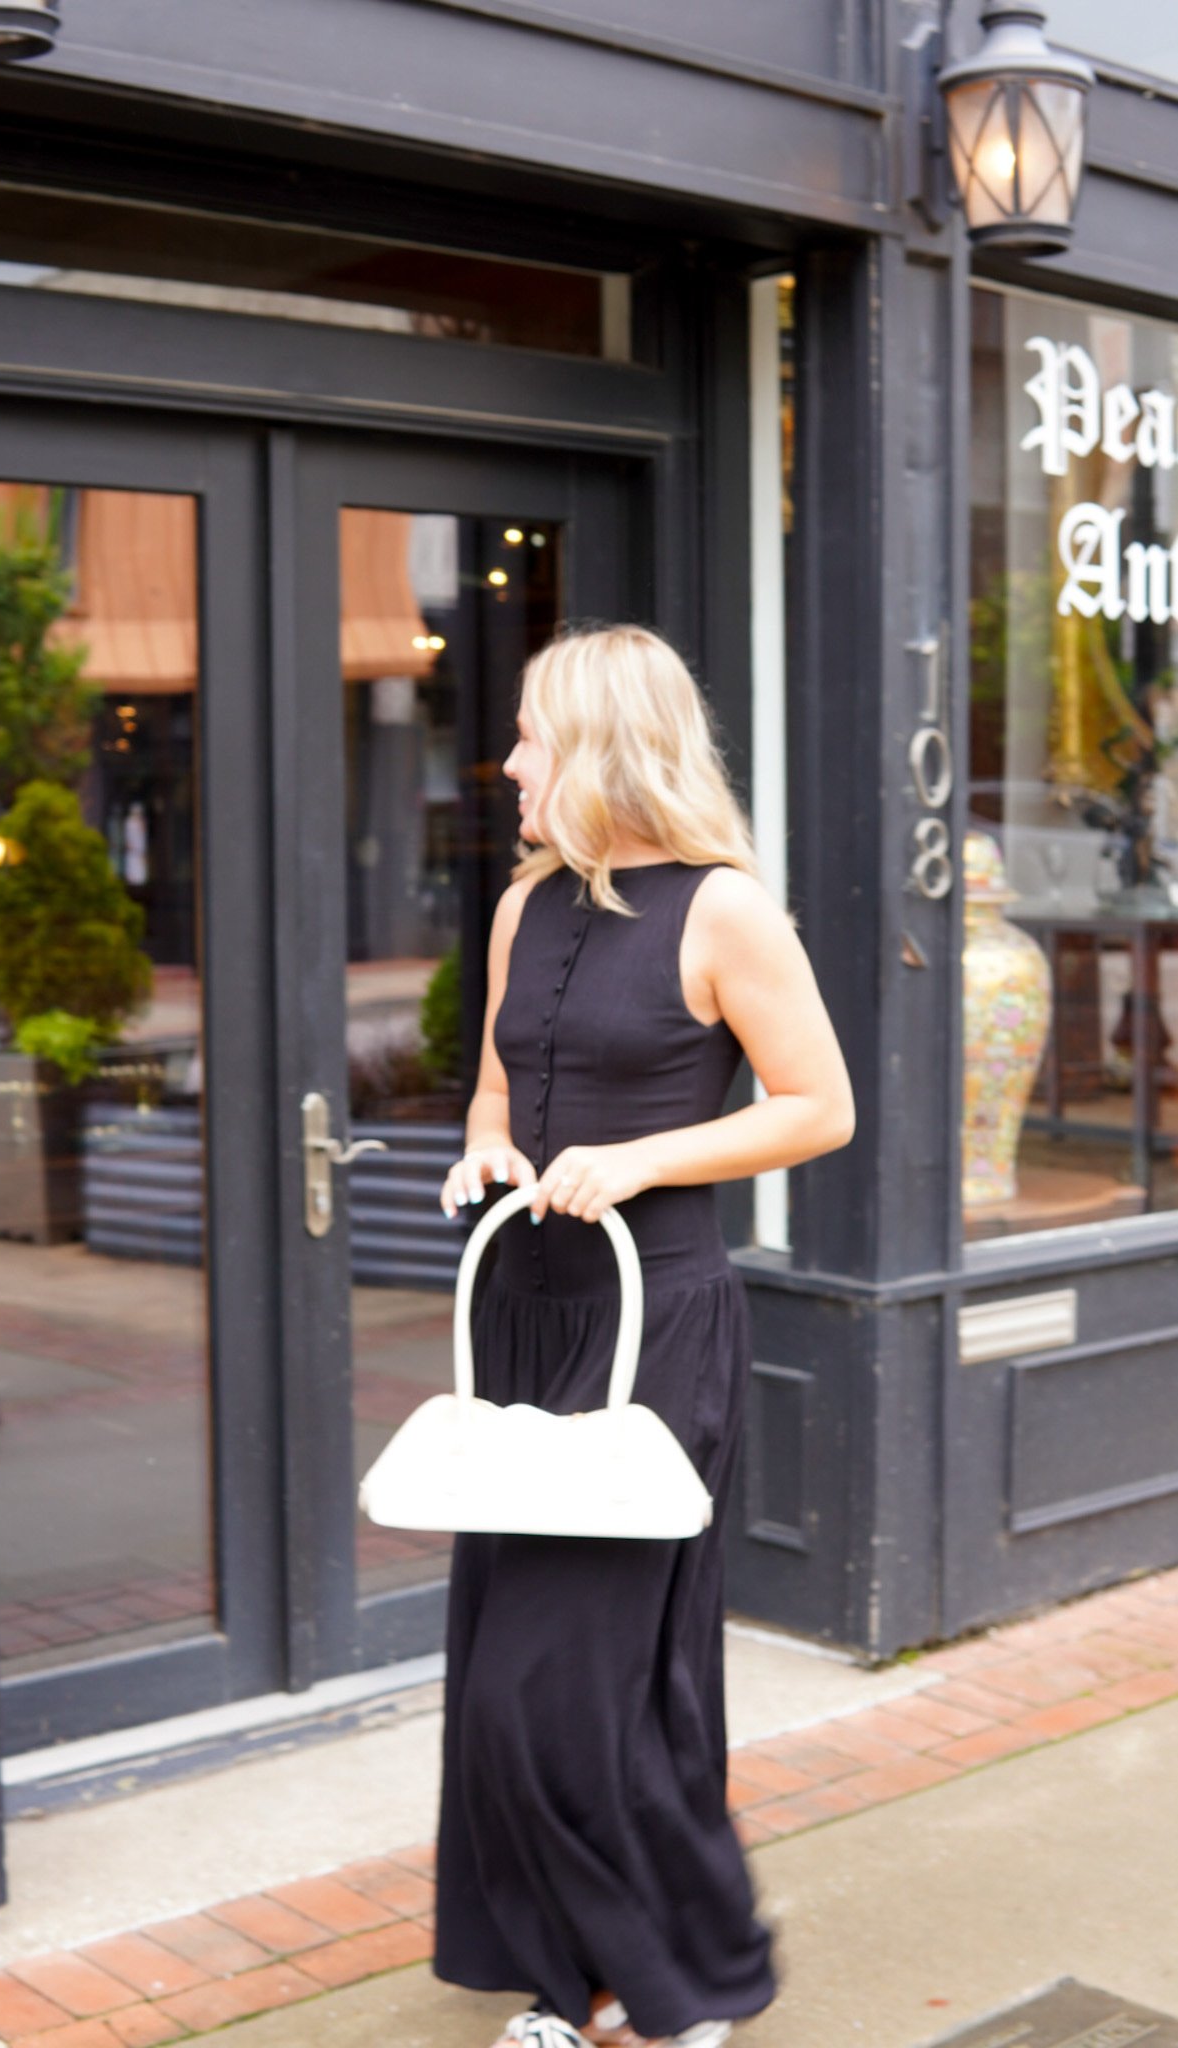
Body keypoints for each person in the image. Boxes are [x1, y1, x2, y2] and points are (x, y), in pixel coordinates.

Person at [433, 625, 855, 2048]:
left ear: (604, 746)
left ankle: (696, 1972)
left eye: (530, 740)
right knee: (525, 1687)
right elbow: (496, 1088)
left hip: (654, 1327)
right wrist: (483, 1149)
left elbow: (816, 1108)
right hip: (525, 1320)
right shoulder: (522, 908)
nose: (507, 765)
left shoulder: (723, 909)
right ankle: (583, 1981)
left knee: (567, 1688)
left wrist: (645, 1159)